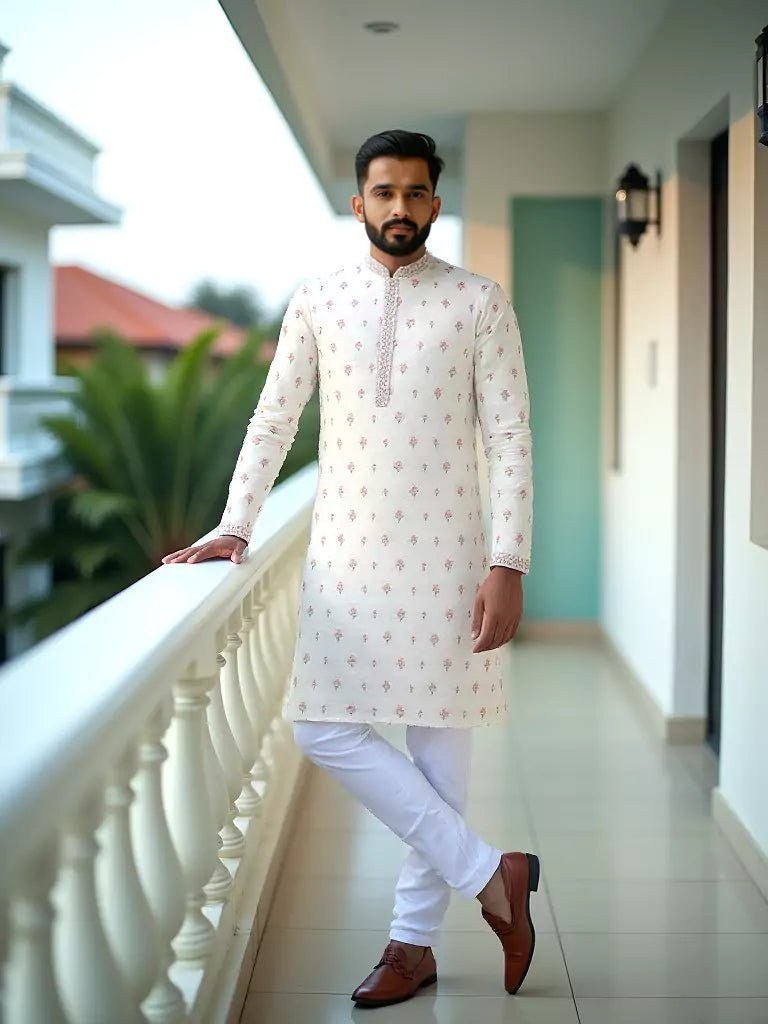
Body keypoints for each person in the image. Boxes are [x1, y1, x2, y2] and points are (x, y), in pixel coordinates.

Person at [162, 129, 539, 1008]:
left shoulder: (479, 302)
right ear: (358, 201)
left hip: (450, 561)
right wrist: (235, 523)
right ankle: (495, 875)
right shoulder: (318, 301)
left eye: (415, 192)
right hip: (345, 561)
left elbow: (510, 436)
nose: (399, 207)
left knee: (441, 763)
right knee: (319, 728)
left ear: (435, 203)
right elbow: (273, 420)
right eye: (384, 192)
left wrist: (507, 560)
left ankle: (412, 947)